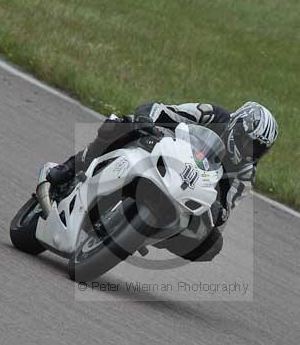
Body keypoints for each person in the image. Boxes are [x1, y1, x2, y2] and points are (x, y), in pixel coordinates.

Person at [44, 101, 278, 261]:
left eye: (258, 150)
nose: (250, 151)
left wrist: (218, 212)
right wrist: (146, 120)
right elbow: (162, 110)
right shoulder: (210, 114)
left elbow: (226, 206)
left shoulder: (247, 172)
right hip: (164, 151)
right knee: (121, 123)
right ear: (237, 126)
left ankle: (145, 233)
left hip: (189, 191)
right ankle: (69, 168)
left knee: (211, 245)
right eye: (249, 142)